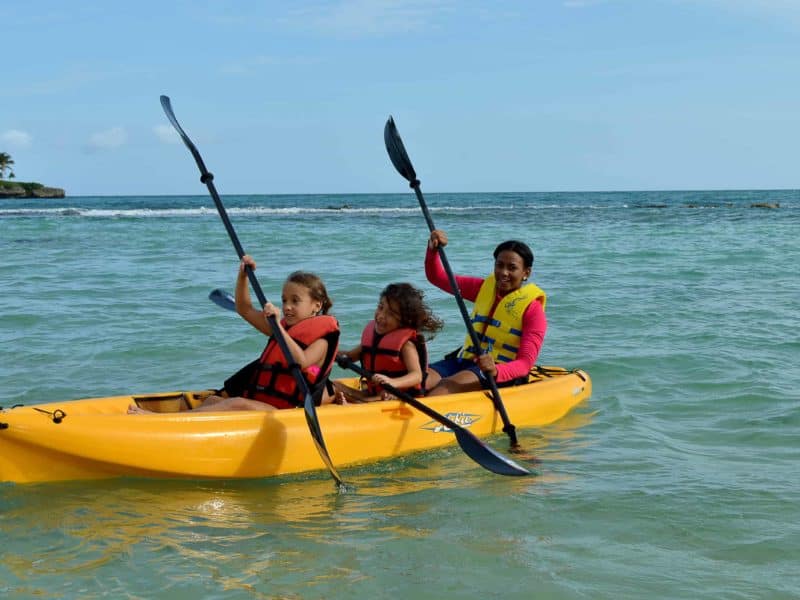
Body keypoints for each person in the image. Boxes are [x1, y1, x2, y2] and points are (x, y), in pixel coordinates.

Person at [129, 255, 339, 413]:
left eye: (295, 300)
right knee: (212, 401)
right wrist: (243, 276)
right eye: (284, 300)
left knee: (237, 403)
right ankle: (181, 421)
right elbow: (244, 309)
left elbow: (302, 361)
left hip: (287, 413)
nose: (287, 307)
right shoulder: (282, 328)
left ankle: (162, 421)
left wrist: (278, 327)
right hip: (264, 404)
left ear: (316, 305)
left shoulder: (321, 340)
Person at [423, 229, 546, 396]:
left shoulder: (533, 310)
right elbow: (437, 277)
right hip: (463, 362)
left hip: (499, 373)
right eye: (499, 265)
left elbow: (525, 364)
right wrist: (433, 250)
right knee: (421, 380)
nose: (504, 272)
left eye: (512, 268)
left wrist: (496, 371)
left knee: (445, 387)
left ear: (526, 273)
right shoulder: (482, 289)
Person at [333, 283, 443, 403]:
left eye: (391, 314)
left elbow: (416, 376)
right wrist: (329, 352)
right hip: (373, 391)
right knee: (334, 385)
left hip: (399, 394)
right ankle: (356, 400)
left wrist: (392, 382)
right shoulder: (374, 338)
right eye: (380, 307)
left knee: (385, 393)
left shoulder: (406, 345)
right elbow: (350, 356)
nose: (381, 316)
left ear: (404, 320)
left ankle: (357, 403)